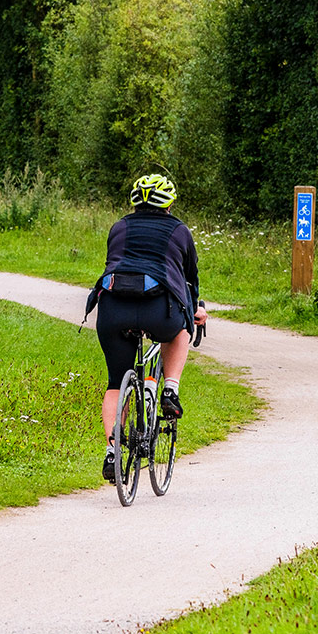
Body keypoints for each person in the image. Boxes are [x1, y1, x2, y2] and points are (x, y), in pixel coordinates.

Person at [84, 174, 208, 482]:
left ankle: (113, 454)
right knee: (179, 331)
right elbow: (189, 279)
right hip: (158, 310)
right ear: (169, 204)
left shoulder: (119, 227)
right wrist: (196, 310)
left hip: (113, 309)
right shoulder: (179, 230)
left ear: (135, 202)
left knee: (115, 382)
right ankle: (170, 389)